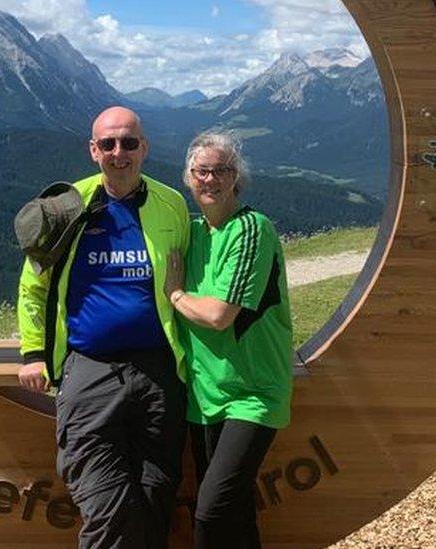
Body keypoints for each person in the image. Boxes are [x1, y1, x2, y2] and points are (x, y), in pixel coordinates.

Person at [16, 106, 190, 548]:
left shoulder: (171, 204)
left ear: (144, 148)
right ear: (93, 150)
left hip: (158, 371)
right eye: (108, 144)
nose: (119, 153)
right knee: (104, 502)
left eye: (129, 143)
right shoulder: (66, 207)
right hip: (89, 369)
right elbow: (32, 288)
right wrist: (33, 352)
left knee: (156, 495)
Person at [164, 132, 293, 549]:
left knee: (211, 511)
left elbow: (219, 316)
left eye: (220, 170)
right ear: (188, 178)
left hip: (252, 396)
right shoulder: (193, 233)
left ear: (236, 177)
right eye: (201, 171)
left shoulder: (252, 229)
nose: (210, 179)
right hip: (204, 396)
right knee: (235, 516)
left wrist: (176, 294)